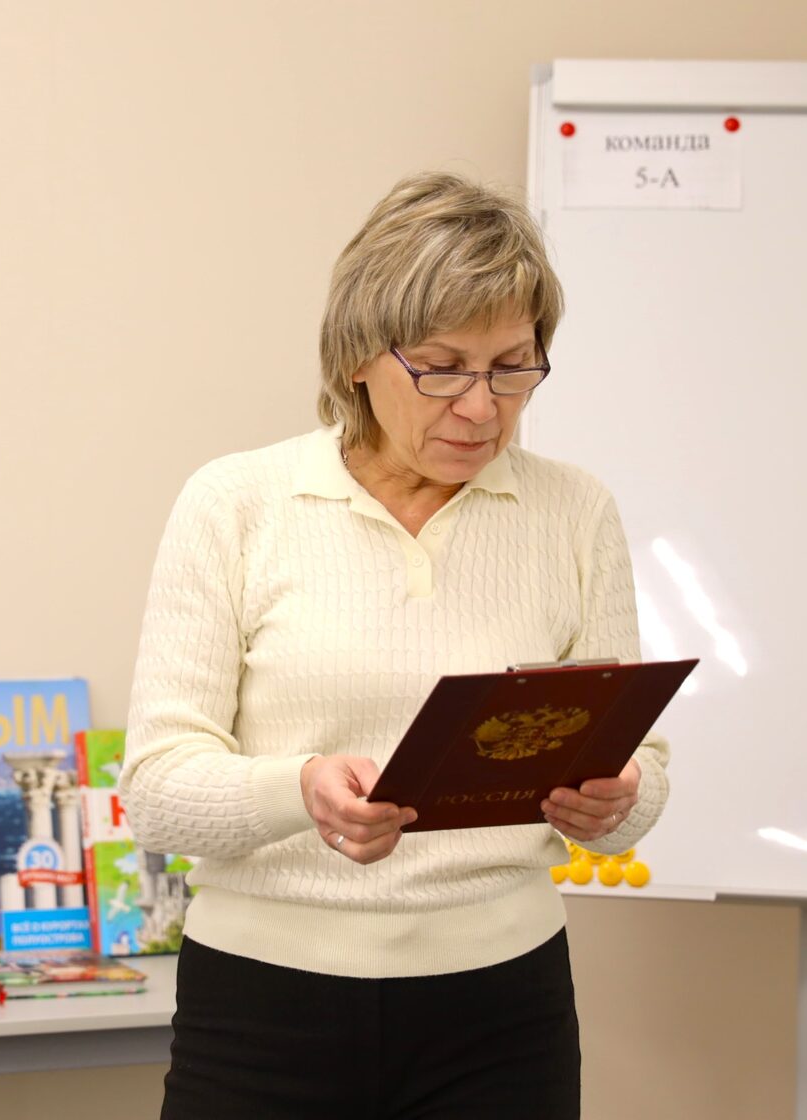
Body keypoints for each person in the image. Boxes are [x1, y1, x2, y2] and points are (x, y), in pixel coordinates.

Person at [120, 171, 671, 1120]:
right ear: (358, 359)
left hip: (504, 1010)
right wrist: (301, 790)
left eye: (512, 367)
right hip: (262, 1008)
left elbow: (640, 776)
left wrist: (616, 800)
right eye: (443, 368)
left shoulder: (574, 512)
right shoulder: (236, 504)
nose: (481, 407)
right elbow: (157, 792)